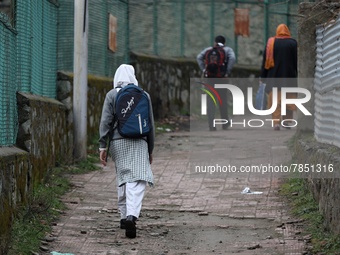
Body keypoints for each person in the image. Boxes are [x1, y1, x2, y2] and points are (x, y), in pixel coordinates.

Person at [98, 64, 155, 238]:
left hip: (118, 141)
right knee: (137, 179)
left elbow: (105, 121)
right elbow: (151, 125)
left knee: (123, 176)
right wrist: (150, 149)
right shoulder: (144, 95)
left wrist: (102, 145)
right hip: (139, 142)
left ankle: (124, 217)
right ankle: (132, 215)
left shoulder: (112, 95)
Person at [260, 24, 298, 131]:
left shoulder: (271, 43)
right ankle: (287, 122)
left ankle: (276, 123)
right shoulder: (293, 43)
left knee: (275, 100)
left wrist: (263, 77)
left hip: (273, 77)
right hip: (289, 77)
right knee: (288, 99)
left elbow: (265, 61)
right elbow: (297, 62)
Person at [197, 35, 236, 131]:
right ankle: (224, 123)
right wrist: (226, 72)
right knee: (222, 100)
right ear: (224, 42)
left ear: (215, 42)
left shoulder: (209, 49)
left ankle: (211, 124)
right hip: (221, 79)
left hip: (210, 79)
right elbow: (233, 59)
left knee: (210, 101)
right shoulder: (227, 50)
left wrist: (204, 70)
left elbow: (199, 57)